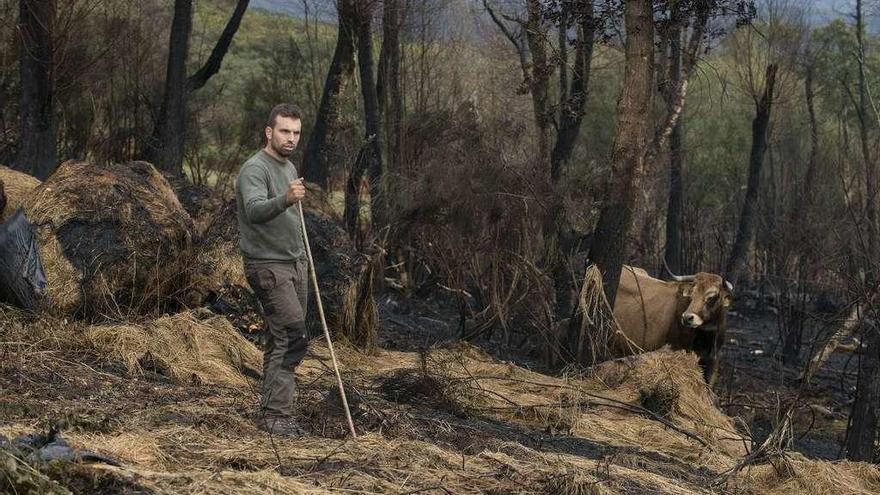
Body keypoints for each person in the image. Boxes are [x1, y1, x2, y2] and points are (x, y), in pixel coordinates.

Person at [235, 103, 309, 437]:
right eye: (284, 131)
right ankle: (276, 417)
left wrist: (303, 258)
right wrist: (285, 199)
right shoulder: (255, 169)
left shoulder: (290, 167)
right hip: (268, 266)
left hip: (294, 264)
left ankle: (271, 412)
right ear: (269, 132)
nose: (291, 138)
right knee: (292, 337)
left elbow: (290, 218)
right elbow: (254, 211)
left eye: (295, 132)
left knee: (281, 338)